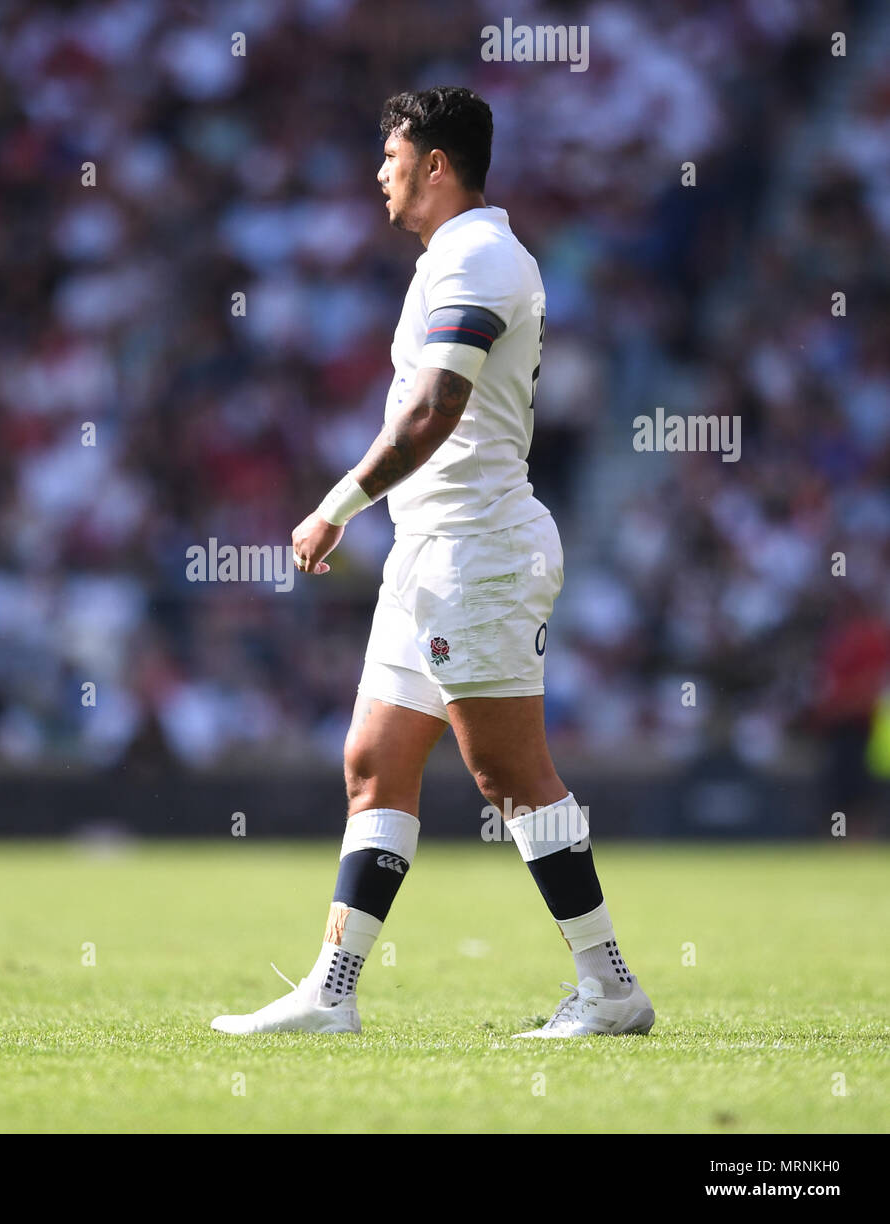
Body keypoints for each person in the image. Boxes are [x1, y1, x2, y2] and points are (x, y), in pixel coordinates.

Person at [211, 87, 654, 1039]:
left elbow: (434, 411)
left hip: (479, 551)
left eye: (390, 154)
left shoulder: (484, 258)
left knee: (508, 774)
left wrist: (334, 507)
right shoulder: (451, 259)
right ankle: (331, 993)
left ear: (435, 164)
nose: (380, 172)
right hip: (431, 550)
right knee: (374, 762)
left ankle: (610, 987)